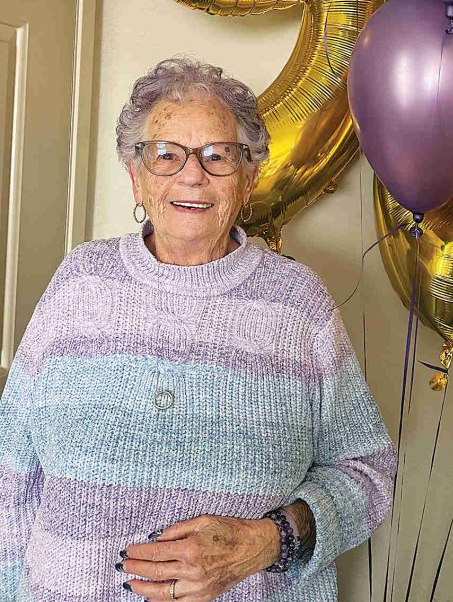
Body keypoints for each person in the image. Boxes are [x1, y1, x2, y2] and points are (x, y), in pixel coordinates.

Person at [0, 57, 397, 602]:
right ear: (136, 176)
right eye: (167, 155)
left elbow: (367, 470)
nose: (192, 175)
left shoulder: (298, 305)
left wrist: (266, 541)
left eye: (218, 156)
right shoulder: (81, 282)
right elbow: (11, 468)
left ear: (249, 176)